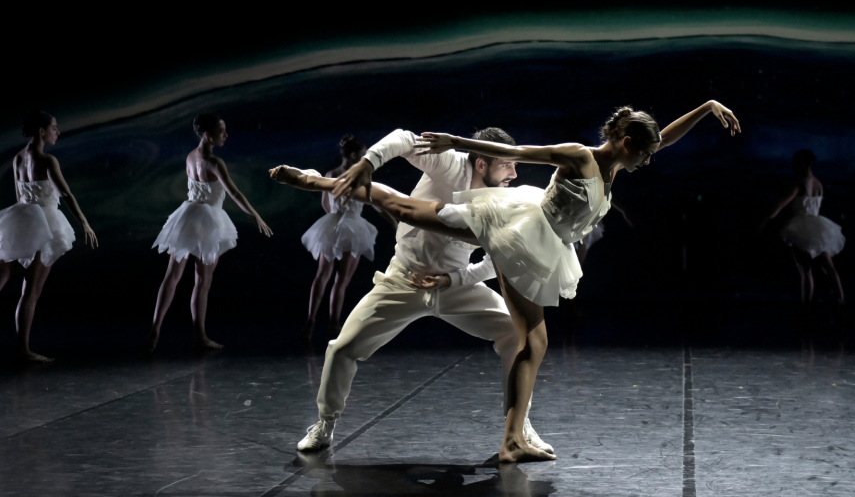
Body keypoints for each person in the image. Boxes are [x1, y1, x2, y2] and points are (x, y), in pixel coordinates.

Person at [271, 100, 741, 462]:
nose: (647, 158)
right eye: (640, 148)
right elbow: (517, 152)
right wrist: (458, 139)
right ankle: (314, 182)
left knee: (522, 340)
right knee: (394, 212)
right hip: (442, 261)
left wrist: (704, 108)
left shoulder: (616, 165)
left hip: (485, 269)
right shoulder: (571, 157)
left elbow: (661, 140)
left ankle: (518, 429)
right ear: (620, 138)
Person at [272, 127, 555, 458]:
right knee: (342, 348)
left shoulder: (503, 198)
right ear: (481, 164)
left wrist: (455, 280)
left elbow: (498, 260)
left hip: (455, 288)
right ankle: (325, 423)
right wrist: (368, 161)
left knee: (516, 336)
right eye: (507, 165)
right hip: (403, 281)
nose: (514, 172)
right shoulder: (450, 164)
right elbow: (405, 139)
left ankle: (518, 426)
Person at [144, 113, 273, 351]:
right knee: (202, 280)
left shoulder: (190, 157)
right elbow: (234, 193)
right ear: (208, 134)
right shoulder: (215, 162)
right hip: (208, 220)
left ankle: (155, 331)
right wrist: (254, 214)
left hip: (188, 216)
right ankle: (199, 335)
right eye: (221, 131)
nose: (226, 135)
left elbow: (196, 190)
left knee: (172, 276)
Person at [0, 111, 98, 362]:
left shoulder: (18, 158)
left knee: (6, 277)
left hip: (20, 220)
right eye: (54, 127)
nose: (58, 131)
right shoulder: (47, 160)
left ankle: (22, 348)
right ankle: (22, 349)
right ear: (42, 131)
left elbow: (20, 197)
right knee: (31, 290)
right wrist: (84, 222)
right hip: (43, 224)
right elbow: (66, 194)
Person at [301, 134, 397, 339]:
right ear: (354, 156)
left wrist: (334, 218)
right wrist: (393, 221)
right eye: (363, 155)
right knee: (341, 279)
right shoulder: (361, 176)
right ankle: (334, 324)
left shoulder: (331, 174)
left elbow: (325, 204)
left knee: (322, 275)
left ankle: (311, 321)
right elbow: (376, 204)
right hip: (353, 226)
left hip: (333, 224)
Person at [760, 149, 845, 304]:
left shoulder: (799, 184)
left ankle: (806, 310)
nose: (794, 168)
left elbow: (780, 204)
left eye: (795, 164)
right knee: (829, 268)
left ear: (803, 164)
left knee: (805, 272)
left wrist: (765, 220)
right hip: (819, 227)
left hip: (801, 227)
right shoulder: (819, 184)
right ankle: (842, 303)